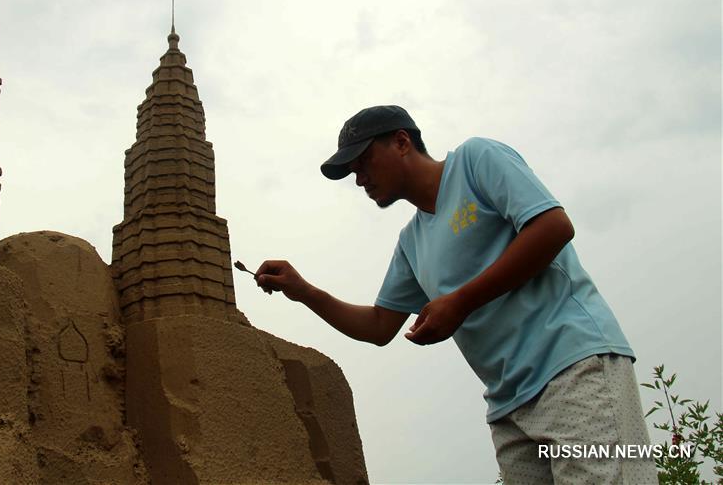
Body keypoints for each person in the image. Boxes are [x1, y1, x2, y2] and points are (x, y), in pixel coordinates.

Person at [255, 105, 657, 484]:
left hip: (571, 367)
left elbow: (553, 227)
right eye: (352, 172)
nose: (360, 179)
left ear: (401, 142)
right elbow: (379, 326)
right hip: (508, 407)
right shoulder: (412, 242)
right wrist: (304, 291)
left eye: (364, 162)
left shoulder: (475, 160)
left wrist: (460, 302)